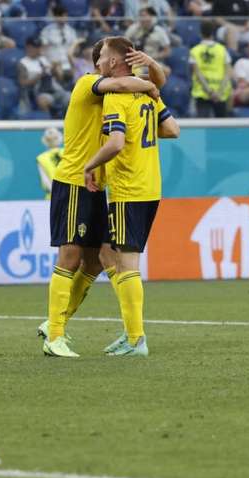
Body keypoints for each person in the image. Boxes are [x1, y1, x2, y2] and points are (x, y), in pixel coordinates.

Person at [39, 38, 167, 358]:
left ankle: (59, 320)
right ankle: (55, 334)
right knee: (69, 255)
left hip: (96, 184)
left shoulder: (119, 95)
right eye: (102, 61)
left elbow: (153, 83)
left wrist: (151, 70)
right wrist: (148, 82)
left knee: (99, 259)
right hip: (73, 179)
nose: (100, 65)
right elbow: (129, 82)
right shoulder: (88, 83)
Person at [82, 36, 179, 357]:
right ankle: (130, 332)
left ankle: (137, 339)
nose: (96, 67)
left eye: (100, 61)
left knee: (127, 262)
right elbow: (172, 130)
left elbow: (116, 143)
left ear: (112, 63)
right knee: (110, 255)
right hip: (151, 185)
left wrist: (91, 164)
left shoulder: (116, 98)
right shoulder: (147, 93)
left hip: (128, 188)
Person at [189, 20, 232, 118]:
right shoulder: (222, 49)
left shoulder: (195, 51)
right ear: (213, 33)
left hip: (202, 93)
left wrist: (209, 92)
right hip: (220, 94)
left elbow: (197, 73)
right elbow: (228, 73)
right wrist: (219, 92)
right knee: (222, 129)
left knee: (203, 128)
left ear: (200, 33)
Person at [18, 36, 71, 116]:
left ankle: (67, 121)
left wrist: (55, 69)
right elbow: (23, 83)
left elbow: (59, 78)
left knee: (71, 97)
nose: (38, 49)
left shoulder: (44, 59)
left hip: (55, 89)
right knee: (43, 101)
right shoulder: (23, 63)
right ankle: (49, 120)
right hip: (40, 92)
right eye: (35, 47)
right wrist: (40, 75)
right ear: (28, 47)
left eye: (39, 47)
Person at [40, 6, 78, 78]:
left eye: (65, 16)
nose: (64, 18)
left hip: (68, 63)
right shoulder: (47, 31)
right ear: (55, 17)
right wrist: (48, 64)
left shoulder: (71, 31)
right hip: (53, 64)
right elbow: (43, 50)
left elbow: (75, 49)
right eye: (61, 16)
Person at [36, 127, 63, 199]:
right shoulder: (66, 153)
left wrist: (55, 193)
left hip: (52, 196)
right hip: (68, 194)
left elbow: (45, 180)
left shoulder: (41, 158)